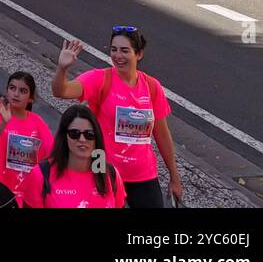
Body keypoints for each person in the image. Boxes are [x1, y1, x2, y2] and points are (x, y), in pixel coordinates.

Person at [52, 28, 182, 207]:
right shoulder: (100, 79)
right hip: (104, 172)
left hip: (143, 175)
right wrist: (62, 69)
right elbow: (61, 91)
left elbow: (162, 135)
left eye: (124, 50)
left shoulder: (152, 87)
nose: (117, 55)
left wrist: (174, 177)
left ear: (139, 54)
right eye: (114, 49)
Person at [20, 105, 127, 208]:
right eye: (74, 133)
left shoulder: (111, 174)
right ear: (64, 136)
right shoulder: (41, 174)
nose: (82, 139)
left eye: (89, 134)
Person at [0, 72, 53, 205]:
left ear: (31, 98)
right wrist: (3, 123)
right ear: (7, 91)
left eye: (23, 91)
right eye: (12, 88)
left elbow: (53, 154)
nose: (16, 94)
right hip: (1, 193)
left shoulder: (38, 122)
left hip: (30, 195)